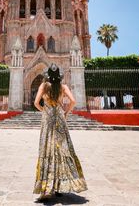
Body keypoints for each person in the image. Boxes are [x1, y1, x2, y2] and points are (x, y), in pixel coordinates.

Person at [33, 63, 88, 201]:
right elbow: (73, 101)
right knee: (62, 150)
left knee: (47, 150)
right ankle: (59, 186)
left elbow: (36, 103)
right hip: (60, 118)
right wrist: (66, 113)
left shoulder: (43, 86)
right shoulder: (63, 87)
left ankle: (46, 188)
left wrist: (45, 111)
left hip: (48, 119)